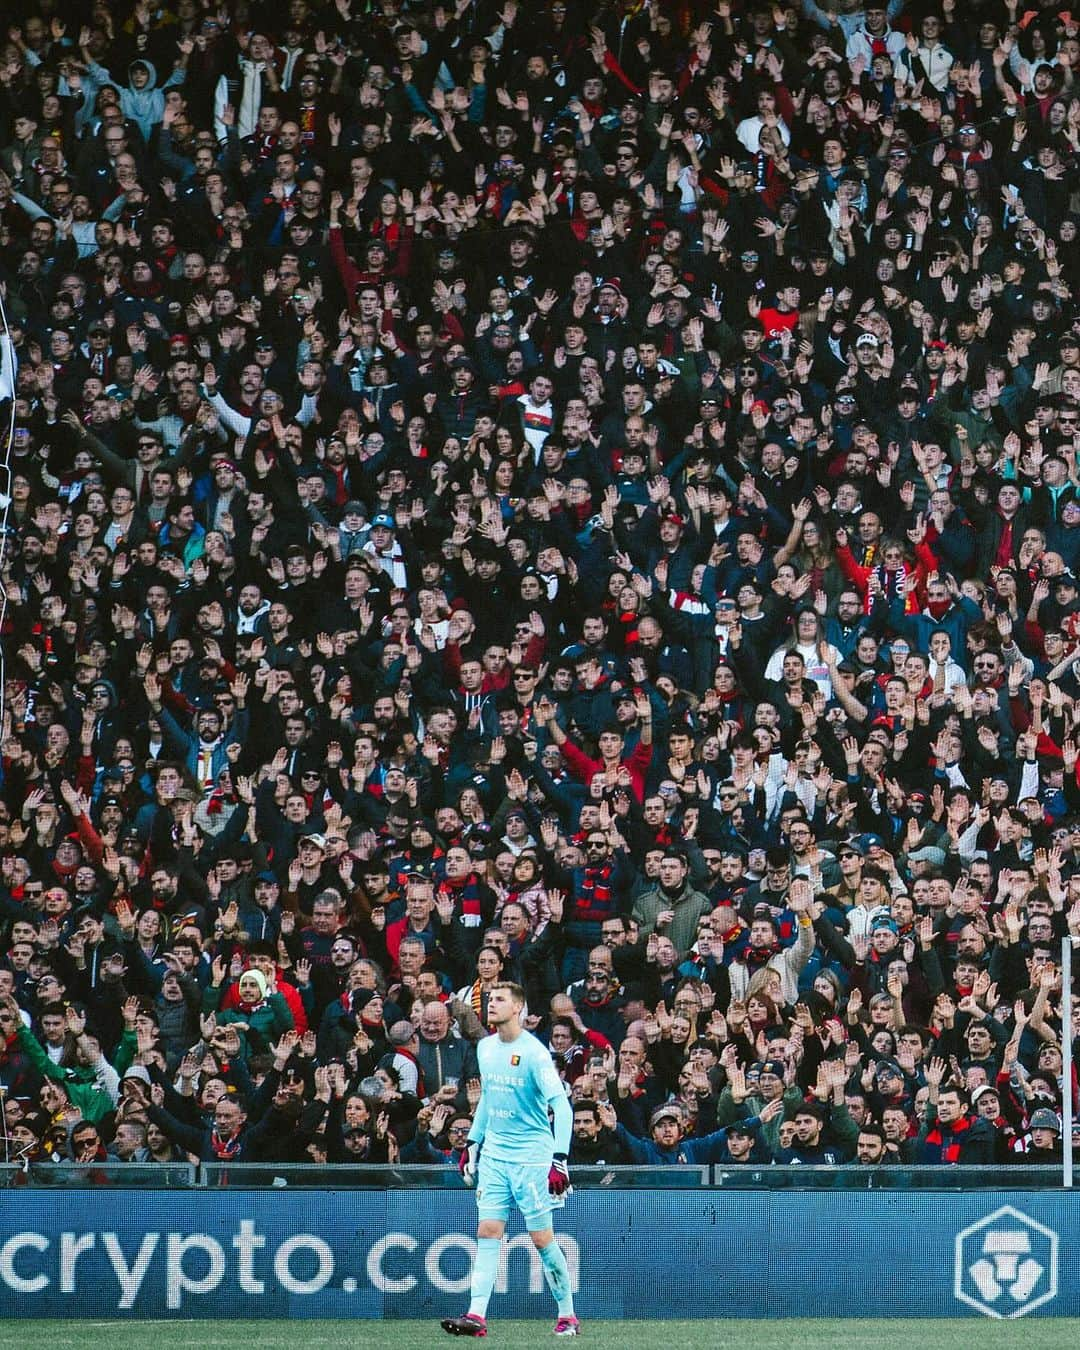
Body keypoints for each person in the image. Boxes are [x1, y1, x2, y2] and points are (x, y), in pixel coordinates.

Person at [441, 981, 578, 1339]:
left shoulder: (533, 1053)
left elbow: (561, 1107)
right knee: (487, 1231)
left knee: (541, 1238)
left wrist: (559, 1160)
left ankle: (567, 1316)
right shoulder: (485, 1048)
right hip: (496, 1157)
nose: (491, 1004)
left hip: (532, 1157)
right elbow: (488, 1098)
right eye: (489, 999)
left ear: (518, 1007)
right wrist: (473, 1142)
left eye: (500, 1000)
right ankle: (476, 1316)